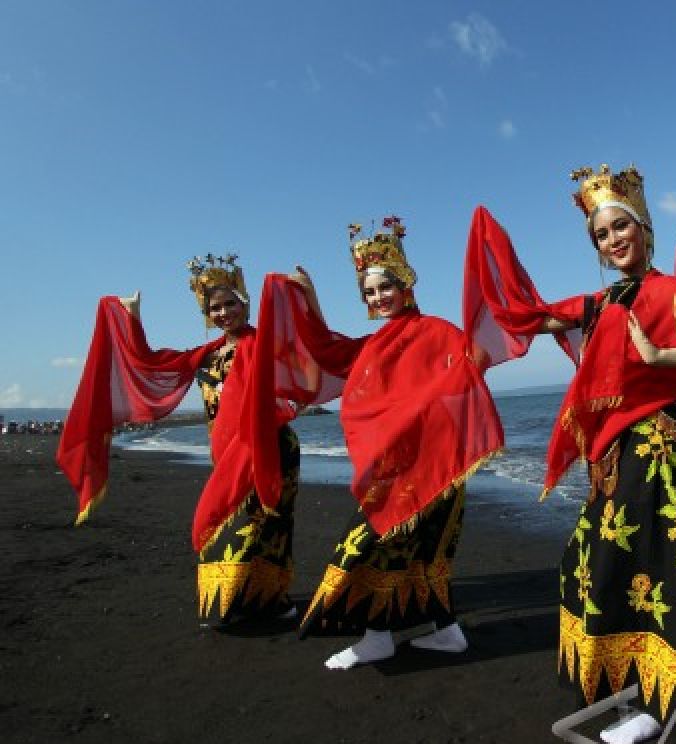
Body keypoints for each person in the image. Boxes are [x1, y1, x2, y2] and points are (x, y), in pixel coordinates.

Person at [462, 166, 676, 744]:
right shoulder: (598, 303)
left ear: (643, 227)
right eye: (602, 234)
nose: (613, 239)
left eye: (621, 225)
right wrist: (492, 256)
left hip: (660, 453)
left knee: (672, 573)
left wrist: (656, 352)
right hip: (614, 456)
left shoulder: (670, 291)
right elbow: (527, 316)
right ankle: (649, 697)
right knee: (605, 570)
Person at [267, 217, 503, 669]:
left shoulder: (439, 333)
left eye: (384, 288)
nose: (377, 298)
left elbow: (466, 376)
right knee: (404, 551)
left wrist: (421, 419)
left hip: (433, 470)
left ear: (405, 283)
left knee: (385, 545)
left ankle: (385, 637)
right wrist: (309, 299)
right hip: (397, 470)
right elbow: (329, 349)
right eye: (369, 292)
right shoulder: (374, 344)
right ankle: (437, 632)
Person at [58, 254, 302, 627]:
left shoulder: (266, 345)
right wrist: (130, 317)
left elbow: (306, 356)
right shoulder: (207, 355)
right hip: (226, 454)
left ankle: (270, 599)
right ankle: (241, 598)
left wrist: (303, 295)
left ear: (245, 302)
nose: (223, 313)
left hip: (270, 449)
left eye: (230, 304)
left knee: (268, 526)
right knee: (237, 522)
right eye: (215, 308)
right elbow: (150, 363)